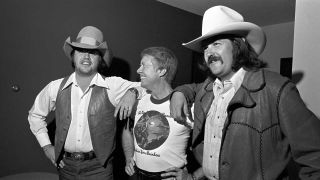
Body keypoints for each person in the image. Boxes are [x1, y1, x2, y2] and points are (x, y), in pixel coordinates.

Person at [169, 5, 320, 180]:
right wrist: (178, 93)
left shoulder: (277, 90)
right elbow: (193, 88)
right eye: (206, 48)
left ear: (238, 46)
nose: (209, 53)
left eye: (216, 44)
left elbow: (315, 156)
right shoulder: (208, 88)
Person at [28, 26, 141, 180]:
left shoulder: (112, 86)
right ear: (73, 56)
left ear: (100, 59)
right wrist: (47, 147)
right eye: (81, 51)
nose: (86, 56)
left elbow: (150, 88)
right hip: (65, 166)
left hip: (99, 169)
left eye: (93, 52)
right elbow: (35, 115)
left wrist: (132, 92)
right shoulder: (55, 87)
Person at [122, 47, 193, 180]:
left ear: (161, 71)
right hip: (137, 175)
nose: (138, 70)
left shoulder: (186, 105)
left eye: (144, 65)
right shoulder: (139, 100)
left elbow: (213, 146)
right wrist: (128, 157)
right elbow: (127, 130)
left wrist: (192, 177)